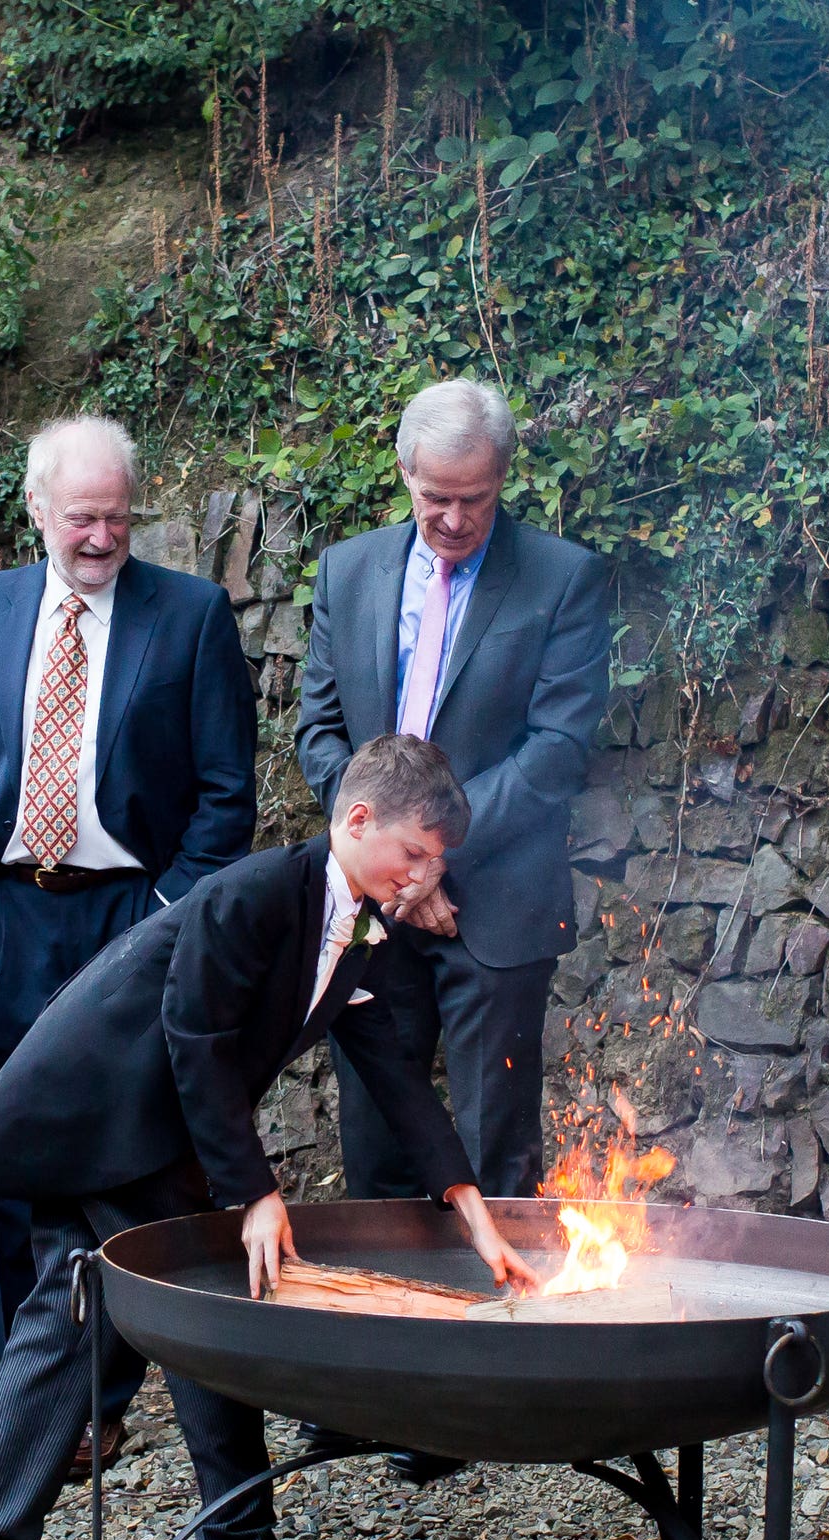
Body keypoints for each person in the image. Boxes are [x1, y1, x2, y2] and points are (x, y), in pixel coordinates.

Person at [0, 736, 539, 1540]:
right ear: (357, 819)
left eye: (434, 864)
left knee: (71, 1331)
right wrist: (254, 1193)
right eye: (413, 853)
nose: (419, 877)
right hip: (103, 1115)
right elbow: (196, 1039)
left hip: (134, 1131)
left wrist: (473, 1212)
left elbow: (398, 1077)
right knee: (208, 1311)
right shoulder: (256, 892)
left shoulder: (357, 924)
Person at [0, 413, 257, 1460]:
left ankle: (101, 1395)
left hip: (132, 917)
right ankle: (16, 1389)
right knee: (11, 1160)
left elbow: (225, 794)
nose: (101, 537)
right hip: (6, 919)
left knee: (126, 1161)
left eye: (117, 518)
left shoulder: (189, 616)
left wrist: (167, 916)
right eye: (80, 518)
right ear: (37, 510)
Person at [295, 380, 609, 1205]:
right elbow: (320, 732)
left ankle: (496, 1294)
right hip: (373, 914)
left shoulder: (563, 578)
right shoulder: (347, 571)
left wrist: (437, 855)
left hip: (496, 910)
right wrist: (386, 858)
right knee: (375, 1159)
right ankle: (382, 1295)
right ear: (404, 471)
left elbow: (557, 751)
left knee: (493, 1161)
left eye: (475, 498)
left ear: (503, 476)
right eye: (436, 497)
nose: (456, 519)